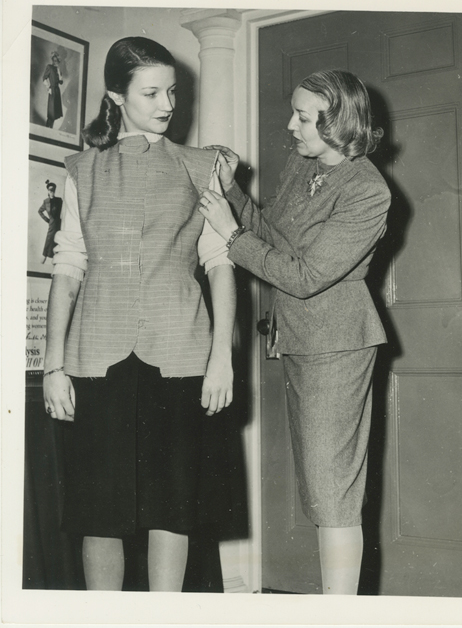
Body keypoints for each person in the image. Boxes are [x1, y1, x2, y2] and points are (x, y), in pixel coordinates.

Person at [42, 37, 236, 592]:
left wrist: (221, 356)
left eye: (172, 91)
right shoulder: (82, 169)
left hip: (180, 352)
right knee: (98, 512)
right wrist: (54, 364)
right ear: (115, 96)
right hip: (95, 356)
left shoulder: (202, 166)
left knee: (172, 509)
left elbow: (219, 261)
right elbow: (69, 266)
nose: (167, 104)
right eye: (151, 92)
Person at [199, 69, 391, 595]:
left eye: (304, 118)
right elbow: (275, 238)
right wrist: (229, 191)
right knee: (323, 489)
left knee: (333, 496)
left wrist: (230, 235)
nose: (291, 125)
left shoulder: (368, 190)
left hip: (337, 343)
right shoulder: (303, 164)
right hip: (303, 340)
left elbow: (303, 276)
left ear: (338, 122)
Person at [38, 179, 63, 263]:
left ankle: (55, 258)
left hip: (59, 223)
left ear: (54, 190)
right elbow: (40, 211)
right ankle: (44, 255)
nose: (51, 191)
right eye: (50, 190)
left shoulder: (59, 200)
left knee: (58, 239)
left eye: (53, 190)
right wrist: (47, 220)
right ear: (48, 191)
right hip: (52, 223)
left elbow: (64, 210)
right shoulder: (46, 202)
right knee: (49, 238)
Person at [42, 50, 63, 128]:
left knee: (55, 114)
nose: (55, 61)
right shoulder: (49, 67)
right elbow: (44, 78)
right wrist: (48, 87)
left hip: (57, 91)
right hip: (52, 91)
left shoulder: (58, 70)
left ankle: (50, 128)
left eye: (57, 60)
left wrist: (59, 72)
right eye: (54, 59)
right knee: (51, 114)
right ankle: (47, 129)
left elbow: (61, 82)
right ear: (52, 59)